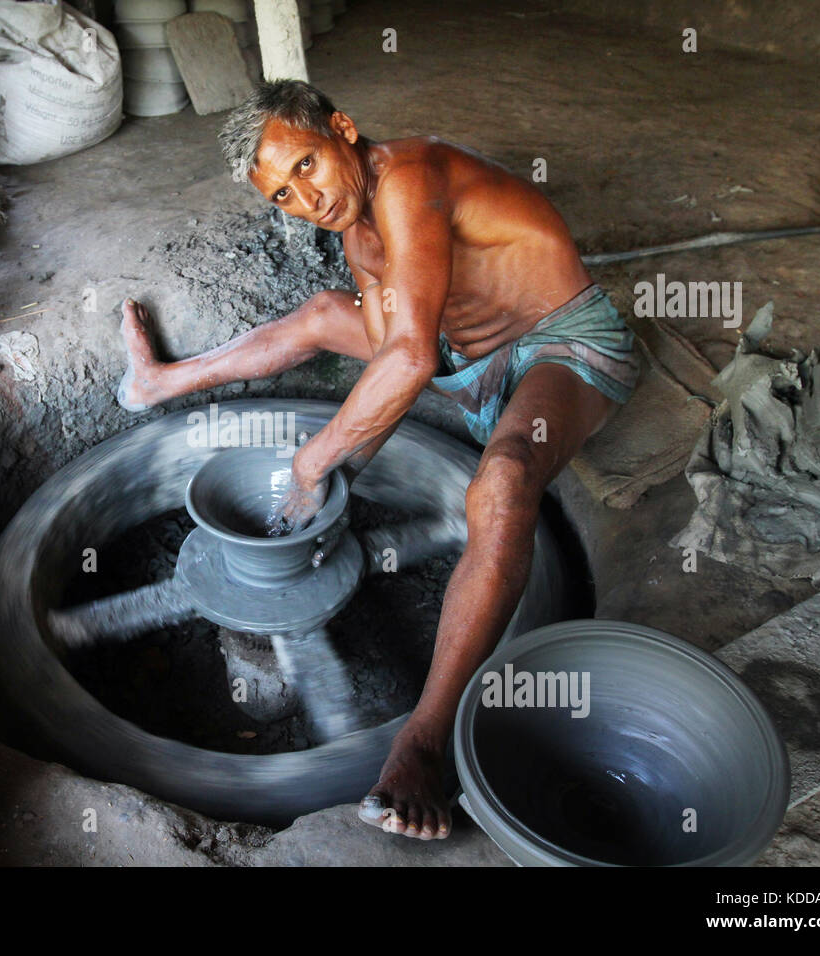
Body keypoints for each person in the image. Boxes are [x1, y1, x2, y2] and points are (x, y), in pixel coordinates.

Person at [117, 80, 638, 840]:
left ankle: (425, 740)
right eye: (283, 194)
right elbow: (399, 361)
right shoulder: (357, 230)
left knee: (501, 484)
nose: (306, 197)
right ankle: (158, 380)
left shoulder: (412, 177)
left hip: (558, 347)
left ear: (343, 129)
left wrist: (310, 465)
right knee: (330, 314)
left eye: (306, 165)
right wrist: (340, 479)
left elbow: (410, 357)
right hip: (468, 363)